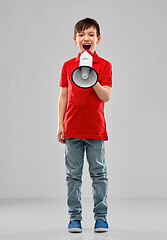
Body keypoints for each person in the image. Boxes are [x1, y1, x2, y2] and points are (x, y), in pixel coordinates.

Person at [57, 17, 112, 233]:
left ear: (98, 39)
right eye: (81, 35)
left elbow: (106, 96)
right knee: (73, 176)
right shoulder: (68, 66)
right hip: (72, 128)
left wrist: (93, 78)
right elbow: (63, 96)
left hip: (95, 129)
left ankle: (101, 217)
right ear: (75, 39)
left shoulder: (105, 65)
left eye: (90, 34)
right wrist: (60, 124)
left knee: (99, 175)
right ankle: (75, 218)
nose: (85, 38)